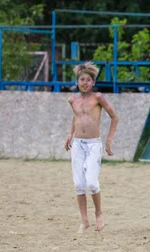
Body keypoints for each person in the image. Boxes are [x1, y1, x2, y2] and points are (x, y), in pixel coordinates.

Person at [65, 61, 118, 233]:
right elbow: (76, 118)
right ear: (77, 82)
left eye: (88, 80)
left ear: (93, 83)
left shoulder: (98, 98)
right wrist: (70, 134)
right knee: (79, 184)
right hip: (78, 145)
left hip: (94, 144)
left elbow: (114, 117)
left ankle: (99, 213)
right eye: (82, 79)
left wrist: (109, 140)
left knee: (92, 183)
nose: (85, 82)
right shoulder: (72, 100)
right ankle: (84, 220)